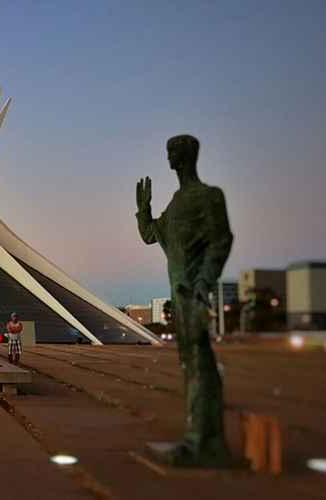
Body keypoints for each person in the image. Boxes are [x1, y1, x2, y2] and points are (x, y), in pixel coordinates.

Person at [136, 134, 233, 465]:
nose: (168, 159)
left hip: (194, 290)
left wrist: (205, 281)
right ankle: (204, 437)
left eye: (172, 152)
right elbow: (151, 235)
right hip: (179, 292)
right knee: (191, 362)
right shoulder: (175, 204)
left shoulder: (208, 197)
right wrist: (143, 209)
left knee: (200, 361)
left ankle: (205, 441)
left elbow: (222, 240)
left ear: (186, 155)